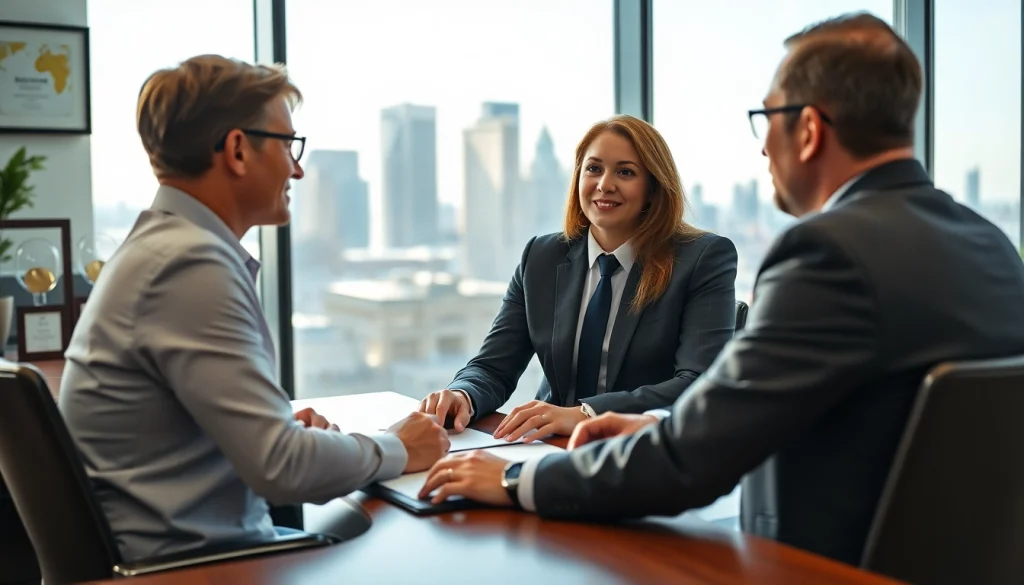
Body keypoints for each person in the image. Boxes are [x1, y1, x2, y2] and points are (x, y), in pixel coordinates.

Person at [415, 12, 1024, 567]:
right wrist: (662, 429)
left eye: (768, 118)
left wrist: (518, 484)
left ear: (808, 130)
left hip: (818, 566)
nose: (762, 144)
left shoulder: (827, 253)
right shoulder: (992, 246)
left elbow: (695, 463)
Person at [58, 55, 450, 562]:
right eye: (289, 145)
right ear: (238, 150)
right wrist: (398, 446)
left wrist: (275, 424)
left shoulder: (160, 249)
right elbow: (281, 468)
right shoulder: (190, 264)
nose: (299, 168)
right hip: (194, 567)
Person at [418, 115, 738, 442]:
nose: (604, 184)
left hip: (642, 453)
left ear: (653, 188)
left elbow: (698, 381)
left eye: (625, 172)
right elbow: (493, 367)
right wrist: (462, 394)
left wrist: (585, 413)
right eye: (594, 169)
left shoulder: (702, 258)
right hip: (546, 447)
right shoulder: (541, 256)